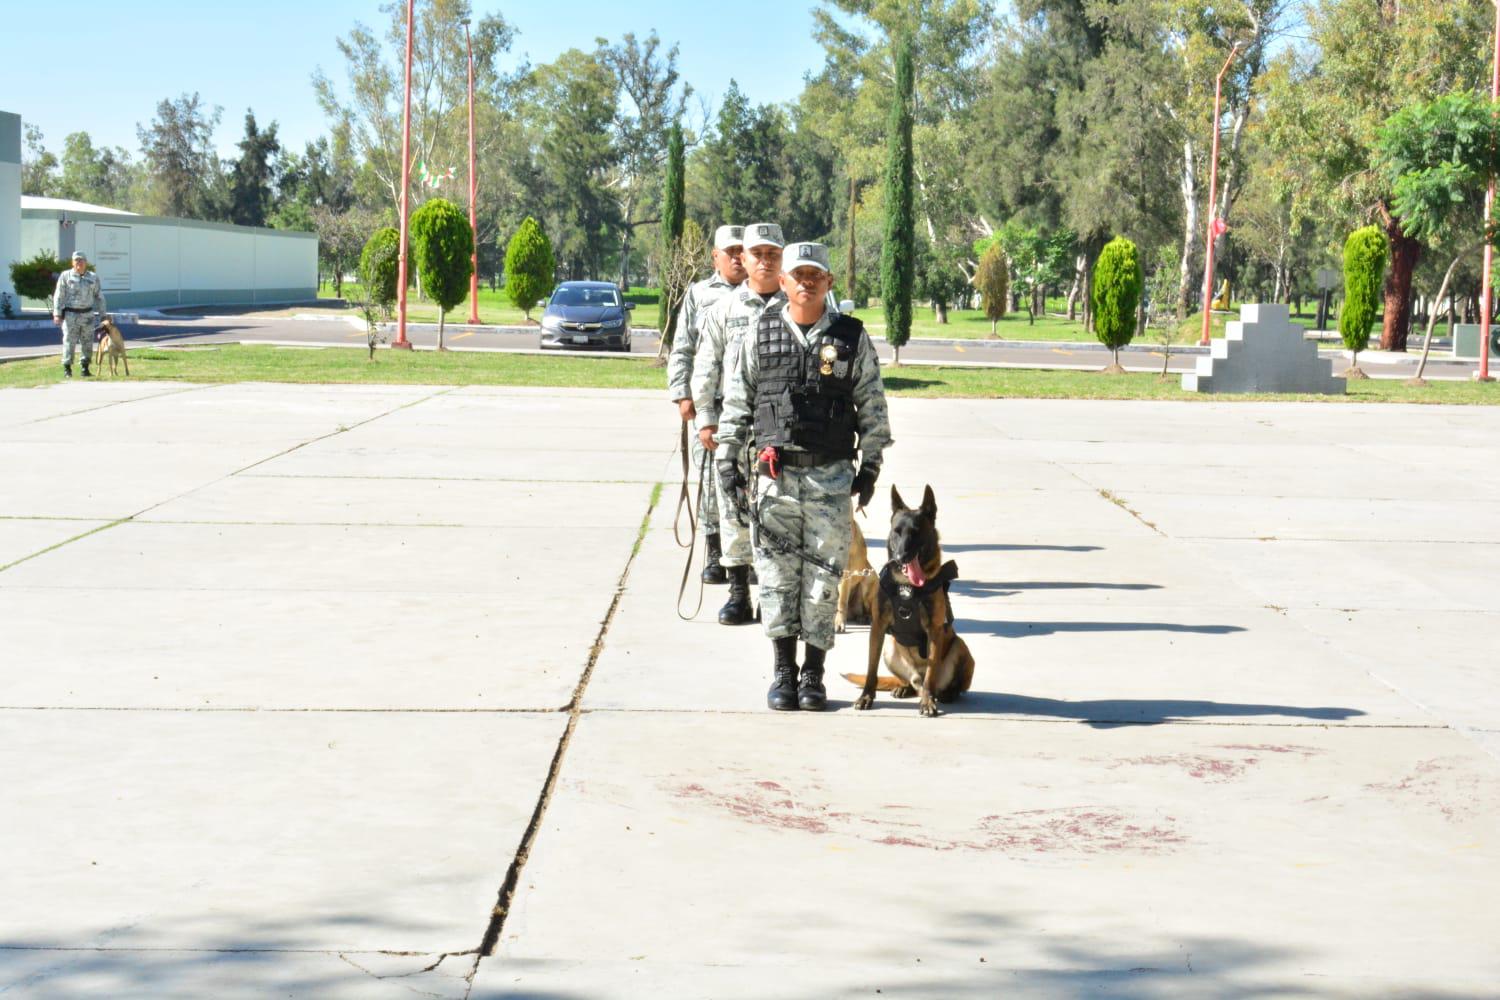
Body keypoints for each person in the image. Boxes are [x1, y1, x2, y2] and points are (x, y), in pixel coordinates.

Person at [715, 242, 892, 711]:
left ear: (829, 283)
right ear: (785, 281)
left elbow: (873, 407)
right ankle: (782, 672)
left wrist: (870, 465)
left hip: (830, 482)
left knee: (822, 582)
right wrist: (728, 464)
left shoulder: (851, 339)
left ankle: (813, 675)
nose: (806, 281)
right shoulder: (760, 333)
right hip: (774, 483)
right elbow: (737, 403)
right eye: (799, 274)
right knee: (774, 581)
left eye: (816, 274)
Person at [692, 222, 787, 626]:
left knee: (779, 513)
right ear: (743, 259)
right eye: (757, 254)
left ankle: (772, 594)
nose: (764, 262)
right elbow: (705, 366)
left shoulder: (799, 305)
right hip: (735, 428)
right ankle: (737, 595)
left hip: (783, 430)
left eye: (772, 255)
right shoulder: (722, 311)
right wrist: (706, 418)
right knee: (732, 509)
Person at [668, 225, 746, 584]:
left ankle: (747, 558)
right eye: (728, 251)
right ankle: (714, 553)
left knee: (748, 485)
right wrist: (683, 395)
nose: (736, 257)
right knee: (711, 486)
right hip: (709, 407)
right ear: (715, 256)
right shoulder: (699, 294)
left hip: (747, 411)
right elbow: (682, 347)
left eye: (740, 250)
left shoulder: (763, 294)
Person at [52, 251, 106, 378]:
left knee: (87, 342)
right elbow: (59, 295)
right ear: (72, 262)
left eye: (81, 260)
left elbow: (99, 297)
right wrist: (57, 313)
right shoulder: (65, 276)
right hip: (71, 314)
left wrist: (103, 315)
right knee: (68, 341)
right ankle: (67, 369)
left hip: (87, 315)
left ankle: (85, 368)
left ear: (86, 263)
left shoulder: (93, 277)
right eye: (76, 260)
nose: (79, 263)